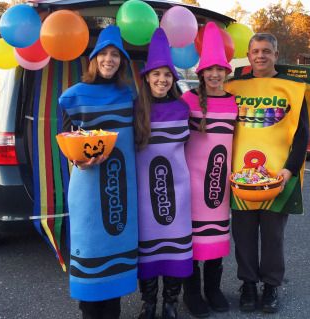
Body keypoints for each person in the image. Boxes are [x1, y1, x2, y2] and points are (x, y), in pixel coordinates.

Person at [225, 33, 309, 313]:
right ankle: (248, 284)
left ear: (275, 54)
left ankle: (271, 285)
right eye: (255, 51)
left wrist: (289, 170)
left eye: (266, 51)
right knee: (244, 234)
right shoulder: (232, 87)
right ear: (248, 56)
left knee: (273, 236)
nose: (260, 56)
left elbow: (302, 134)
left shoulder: (294, 89)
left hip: (278, 177)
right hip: (240, 179)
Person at [58, 25, 138, 319]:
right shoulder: (72, 97)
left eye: (115, 54)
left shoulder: (129, 95)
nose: (108, 59)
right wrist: (78, 161)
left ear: (122, 61)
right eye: (103, 54)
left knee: (115, 257)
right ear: (93, 59)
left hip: (122, 191)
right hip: (88, 190)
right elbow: (65, 139)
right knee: (90, 254)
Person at [134, 28, 193, 319]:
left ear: (173, 79)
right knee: (148, 251)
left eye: (167, 75)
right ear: (147, 77)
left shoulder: (183, 109)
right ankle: (149, 303)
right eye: (156, 74)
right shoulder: (135, 110)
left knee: (175, 252)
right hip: (145, 195)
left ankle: (171, 303)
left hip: (178, 193)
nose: (162, 79)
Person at [181, 22, 238, 318]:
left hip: (219, 187)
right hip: (191, 185)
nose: (215, 75)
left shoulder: (233, 103)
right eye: (210, 70)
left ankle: (213, 289)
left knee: (215, 242)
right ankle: (191, 294)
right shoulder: (188, 100)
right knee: (192, 243)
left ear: (226, 72)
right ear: (201, 73)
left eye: (220, 69)